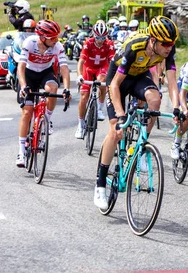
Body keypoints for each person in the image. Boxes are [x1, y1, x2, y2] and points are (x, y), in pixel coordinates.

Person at [93, 16, 181, 209]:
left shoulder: (168, 50)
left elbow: (173, 82)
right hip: (118, 79)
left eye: (172, 44)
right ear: (153, 40)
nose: (169, 47)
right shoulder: (135, 47)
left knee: (155, 99)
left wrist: (176, 108)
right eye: (165, 43)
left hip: (140, 76)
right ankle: (100, 184)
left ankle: (141, 147)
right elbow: (115, 84)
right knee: (116, 131)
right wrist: (119, 114)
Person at [15, 20, 71, 168]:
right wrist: (24, 86)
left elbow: (64, 68)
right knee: (27, 112)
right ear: (42, 37)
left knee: (52, 88)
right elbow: (20, 67)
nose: (56, 40)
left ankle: (47, 118)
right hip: (29, 74)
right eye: (53, 37)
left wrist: (66, 89)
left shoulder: (57, 47)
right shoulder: (29, 43)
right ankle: (21, 151)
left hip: (45, 72)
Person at [75, 20, 115, 138]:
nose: (100, 40)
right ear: (94, 34)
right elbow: (81, 61)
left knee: (103, 81)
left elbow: (113, 62)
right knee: (84, 96)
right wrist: (79, 75)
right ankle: (80, 125)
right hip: (88, 68)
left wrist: (113, 76)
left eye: (103, 38)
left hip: (102, 67)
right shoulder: (88, 43)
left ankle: (99, 110)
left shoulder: (109, 44)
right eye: (98, 37)